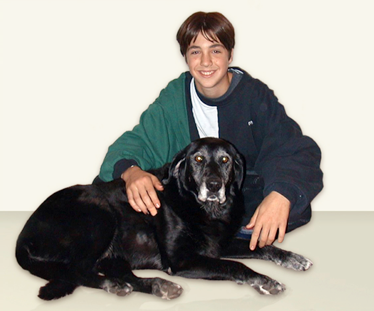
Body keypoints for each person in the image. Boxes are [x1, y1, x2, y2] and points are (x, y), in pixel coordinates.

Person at [95, 11, 323, 251]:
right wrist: (131, 172)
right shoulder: (175, 96)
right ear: (185, 57)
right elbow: (139, 141)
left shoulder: (254, 95)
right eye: (195, 51)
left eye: (215, 50)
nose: (206, 62)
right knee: (108, 184)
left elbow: (290, 147)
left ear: (230, 54)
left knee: (293, 206)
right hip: (192, 200)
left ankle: (207, 241)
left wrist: (280, 195)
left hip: (241, 195)